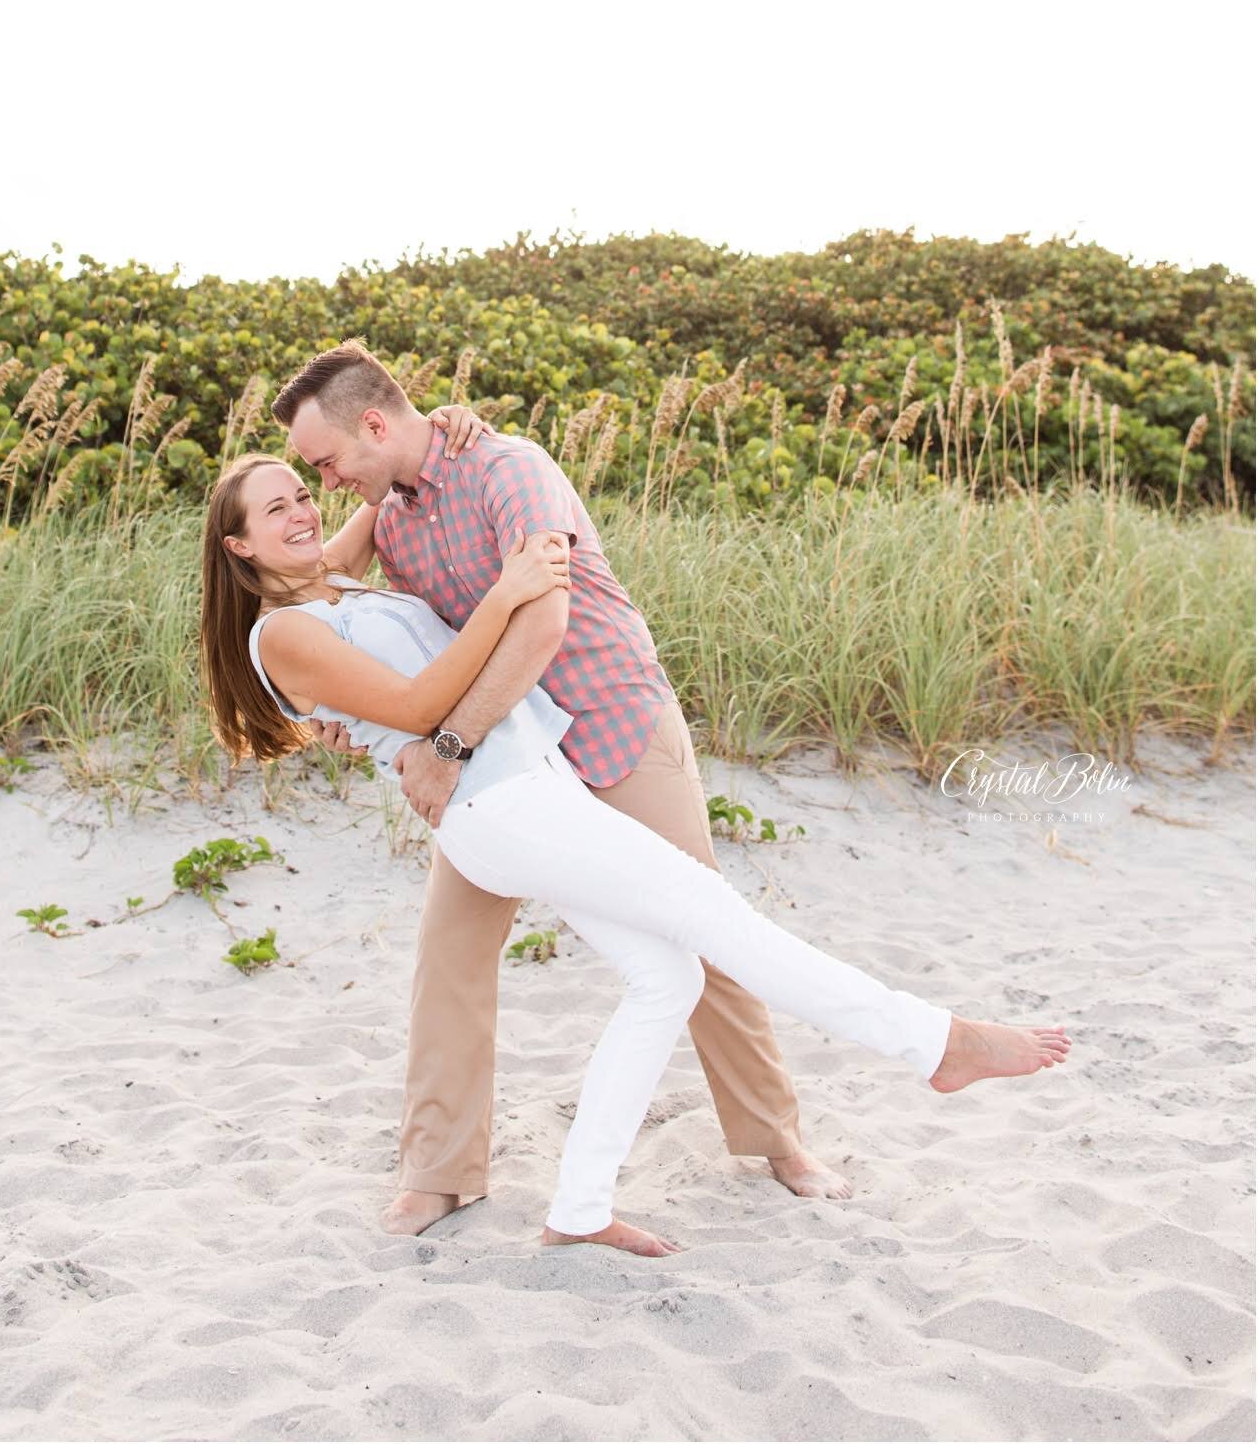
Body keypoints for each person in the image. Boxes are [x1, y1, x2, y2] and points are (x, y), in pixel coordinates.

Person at [199, 445, 1073, 1258]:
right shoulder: (281, 634)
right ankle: (936, 1042)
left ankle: (579, 1209)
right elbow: (425, 698)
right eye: (276, 509)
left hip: (535, 788)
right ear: (238, 545)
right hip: (500, 808)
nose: (303, 511)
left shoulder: (336, 585)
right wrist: (507, 591)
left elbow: (389, 477)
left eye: (306, 490)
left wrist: (454, 431)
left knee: (670, 976)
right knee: (715, 916)